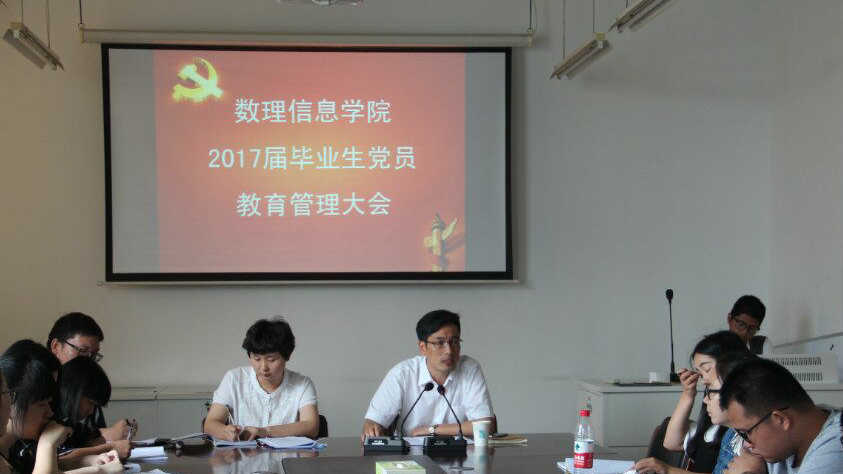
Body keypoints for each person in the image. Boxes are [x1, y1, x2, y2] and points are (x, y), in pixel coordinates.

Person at [362, 309, 494, 440]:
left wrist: (432, 430)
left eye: (454, 342)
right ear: (423, 347)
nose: (449, 351)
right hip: (410, 452)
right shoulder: (403, 374)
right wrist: (371, 426)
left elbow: (485, 426)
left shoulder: (470, 369)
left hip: (460, 452)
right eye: (440, 343)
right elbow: (372, 421)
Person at [632, 331, 747, 473]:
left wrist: (667, 470)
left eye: (706, 369)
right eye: (698, 371)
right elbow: (671, 442)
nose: (702, 379)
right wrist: (687, 394)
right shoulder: (715, 425)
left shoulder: (739, 436)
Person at [0, 342, 122, 474]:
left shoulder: (17, 447)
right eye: (42, 403)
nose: (50, 412)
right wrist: (48, 444)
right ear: (11, 397)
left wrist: (90, 463)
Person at [720, 358, 843, 474]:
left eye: (747, 433)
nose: (747, 445)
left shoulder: (835, 449)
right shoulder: (782, 445)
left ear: (781, 420)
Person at [204, 317, 319, 441]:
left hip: (286, 453)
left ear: (288, 355)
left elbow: (311, 426)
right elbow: (210, 424)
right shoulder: (234, 379)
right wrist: (226, 432)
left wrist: (265, 431)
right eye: (257, 359)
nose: (263, 367)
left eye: (271, 360)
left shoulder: (302, 384)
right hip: (241, 453)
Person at [47, 312, 136, 443]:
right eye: (83, 352)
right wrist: (108, 434)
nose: (90, 361)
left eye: (94, 355)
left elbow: (95, 438)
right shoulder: (40, 390)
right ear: (56, 346)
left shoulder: (87, 386)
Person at [55, 357, 131, 461]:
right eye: (90, 403)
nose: (91, 411)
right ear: (73, 392)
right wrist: (110, 448)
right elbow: (58, 458)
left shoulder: (70, 424)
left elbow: (89, 442)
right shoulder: (49, 416)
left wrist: (91, 443)